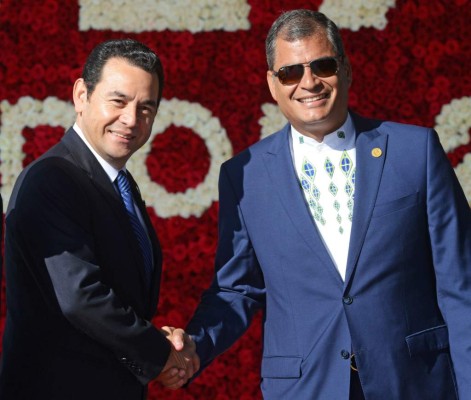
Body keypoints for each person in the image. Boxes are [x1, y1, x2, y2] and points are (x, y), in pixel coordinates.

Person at [169, 9, 471, 399]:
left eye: (322, 66)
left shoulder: (415, 152)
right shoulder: (244, 174)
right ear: (273, 84)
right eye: (290, 72)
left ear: (345, 70)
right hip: (305, 388)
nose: (308, 83)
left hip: (412, 381)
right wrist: (194, 344)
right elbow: (238, 289)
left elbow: (460, 285)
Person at [0, 38, 198, 400]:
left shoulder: (119, 183)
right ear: (81, 95)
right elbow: (81, 296)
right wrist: (159, 353)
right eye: (119, 101)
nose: (131, 119)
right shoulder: (53, 178)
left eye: (146, 108)